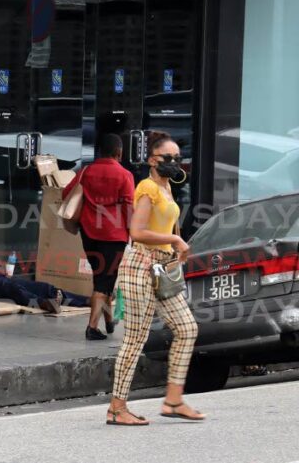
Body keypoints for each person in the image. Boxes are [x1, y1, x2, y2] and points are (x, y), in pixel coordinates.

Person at [107, 131, 204, 426]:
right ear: (152, 160)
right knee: (136, 338)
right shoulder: (147, 187)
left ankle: (173, 400)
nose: (173, 162)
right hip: (139, 265)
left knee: (187, 329)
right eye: (167, 158)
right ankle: (116, 408)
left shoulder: (166, 187)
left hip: (163, 267)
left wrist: (176, 245)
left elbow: (168, 225)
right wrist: (174, 240)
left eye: (177, 158)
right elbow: (136, 232)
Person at [64, 133, 134, 341]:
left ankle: (109, 321)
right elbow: (129, 207)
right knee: (104, 283)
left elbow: (66, 193)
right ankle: (92, 327)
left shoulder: (86, 171)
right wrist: (133, 233)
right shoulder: (124, 175)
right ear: (119, 153)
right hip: (113, 236)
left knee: (101, 278)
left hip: (89, 234)